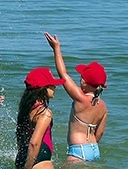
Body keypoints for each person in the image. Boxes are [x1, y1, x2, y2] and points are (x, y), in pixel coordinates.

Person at [45, 33, 108, 162]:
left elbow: (63, 74)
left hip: (78, 150)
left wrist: (56, 48)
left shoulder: (81, 99)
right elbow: (99, 133)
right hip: (94, 149)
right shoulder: (103, 106)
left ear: (84, 82)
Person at [15, 67, 65, 169]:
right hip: (39, 162)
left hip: (21, 157)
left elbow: (20, 138)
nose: (55, 87)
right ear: (43, 89)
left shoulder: (26, 109)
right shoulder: (44, 113)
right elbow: (34, 143)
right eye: (51, 85)